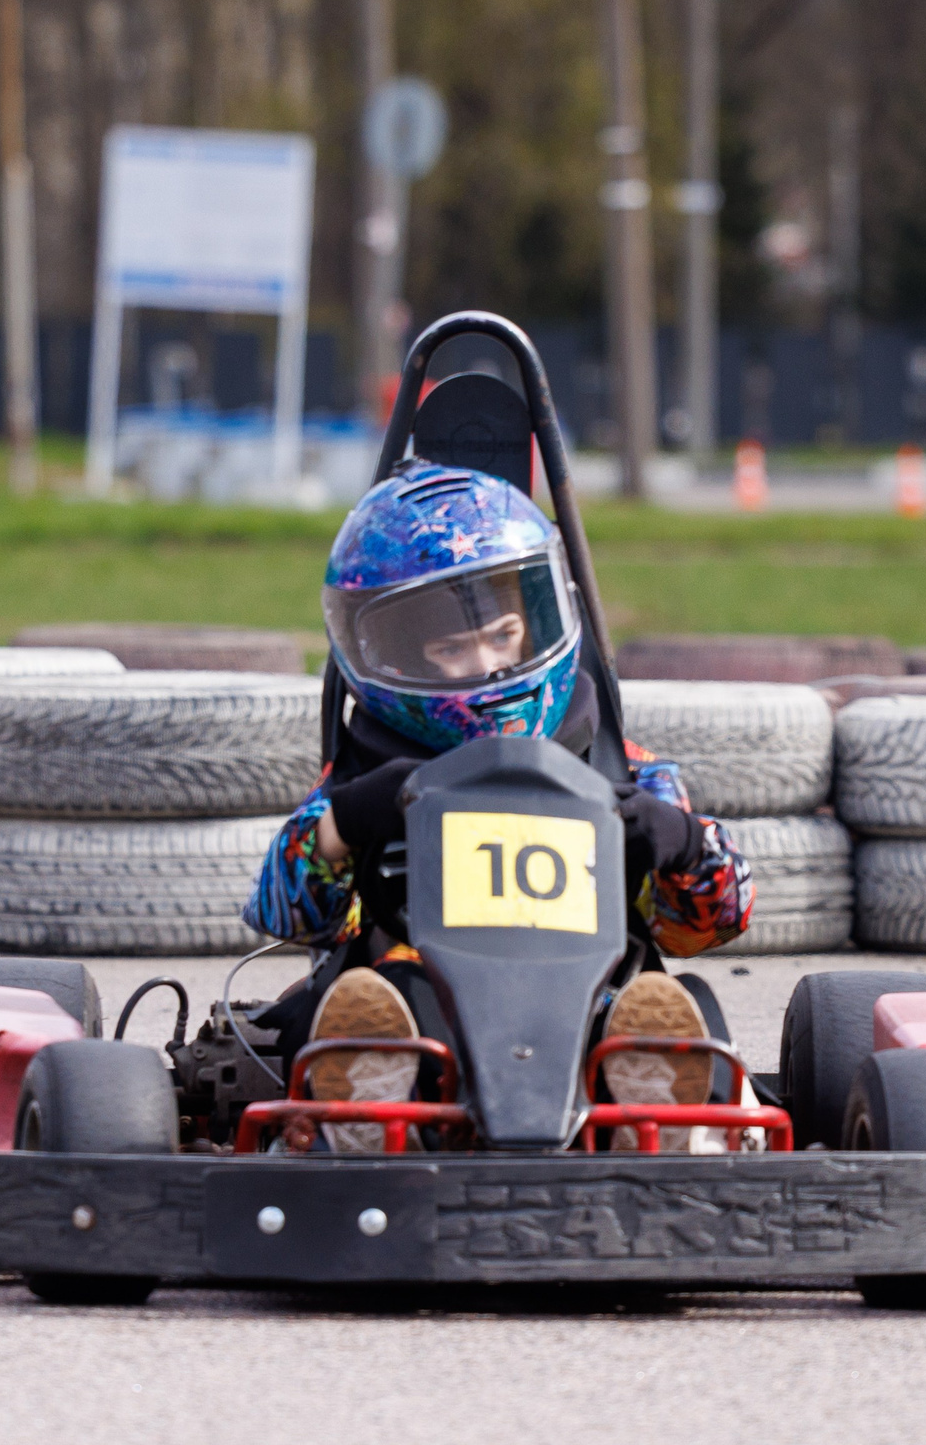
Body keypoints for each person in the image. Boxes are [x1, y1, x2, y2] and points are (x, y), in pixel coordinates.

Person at [244, 461, 750, 1150]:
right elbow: (283, 912)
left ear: (542, 617)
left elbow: (715, 923)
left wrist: (684, 843)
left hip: (594, 995)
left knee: (674, 1007)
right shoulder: (364, 777)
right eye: (450, 648)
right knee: (372, 1005)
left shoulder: (620, 768)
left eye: (502, 634)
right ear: (386, 653)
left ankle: (652, 1113)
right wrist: (346, 823)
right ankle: (373, 1110)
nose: (484, 665)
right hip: (422, 989)